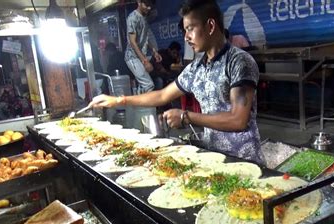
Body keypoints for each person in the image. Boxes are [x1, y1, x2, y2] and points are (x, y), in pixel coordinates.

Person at [90, 0, 265, 164]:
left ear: (211, 26)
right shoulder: (196, 68)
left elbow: (238, 120)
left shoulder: (238, 62)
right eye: (185, 30)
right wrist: (119, 100)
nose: (186, 37)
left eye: (190, 29)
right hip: (215, 158)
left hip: (244, 159)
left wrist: (185, 116)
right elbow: (162, 95)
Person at [124, 0, 162, 95]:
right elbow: (132, 42)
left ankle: (140, 108)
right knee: (149, 85)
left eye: (150, 6)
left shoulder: (144, 18)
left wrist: (154, 52)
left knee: (143, 86)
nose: (149, 8)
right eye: (147, 5)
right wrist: (145, 61)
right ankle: (148, 109)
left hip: (140, 56)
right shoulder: (132, 18)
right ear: (139, 2)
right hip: (132, 57)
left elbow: (146, 37)